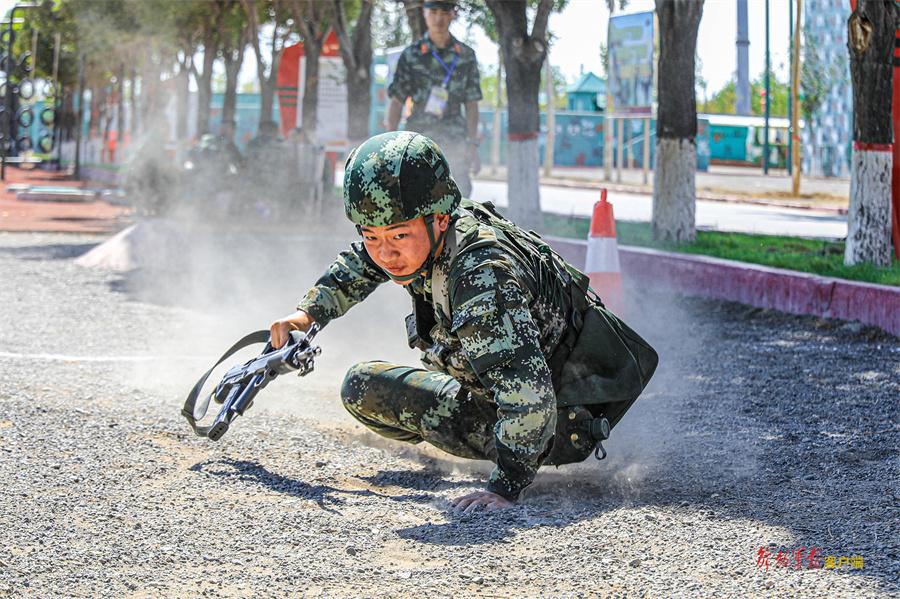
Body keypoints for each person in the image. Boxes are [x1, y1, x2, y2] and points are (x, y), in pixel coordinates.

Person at [269, 132, 658, 513]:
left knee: (369, 390)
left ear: (437, 220)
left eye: (397, 236)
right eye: (371, 236)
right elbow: (361, 262)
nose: (385, 253)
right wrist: (308, 313)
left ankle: (509, 455)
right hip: (517, 399)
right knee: (361, 386)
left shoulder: (479, 276)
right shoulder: (436, 222)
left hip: (554, 425)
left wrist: (505, 486)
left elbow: (531, 399)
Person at [385, 0, 482, 197]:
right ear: (425, 13)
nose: (439, 18)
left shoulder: (465, 55)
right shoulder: (411, 55)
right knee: (414, 196)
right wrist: (389, 147)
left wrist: (472, 145)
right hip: (417, 139)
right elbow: (396, 102)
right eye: (434, 11)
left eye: (445, 12)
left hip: (455, 138)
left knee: (459, 197)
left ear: (452, 14)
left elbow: (472, 104)